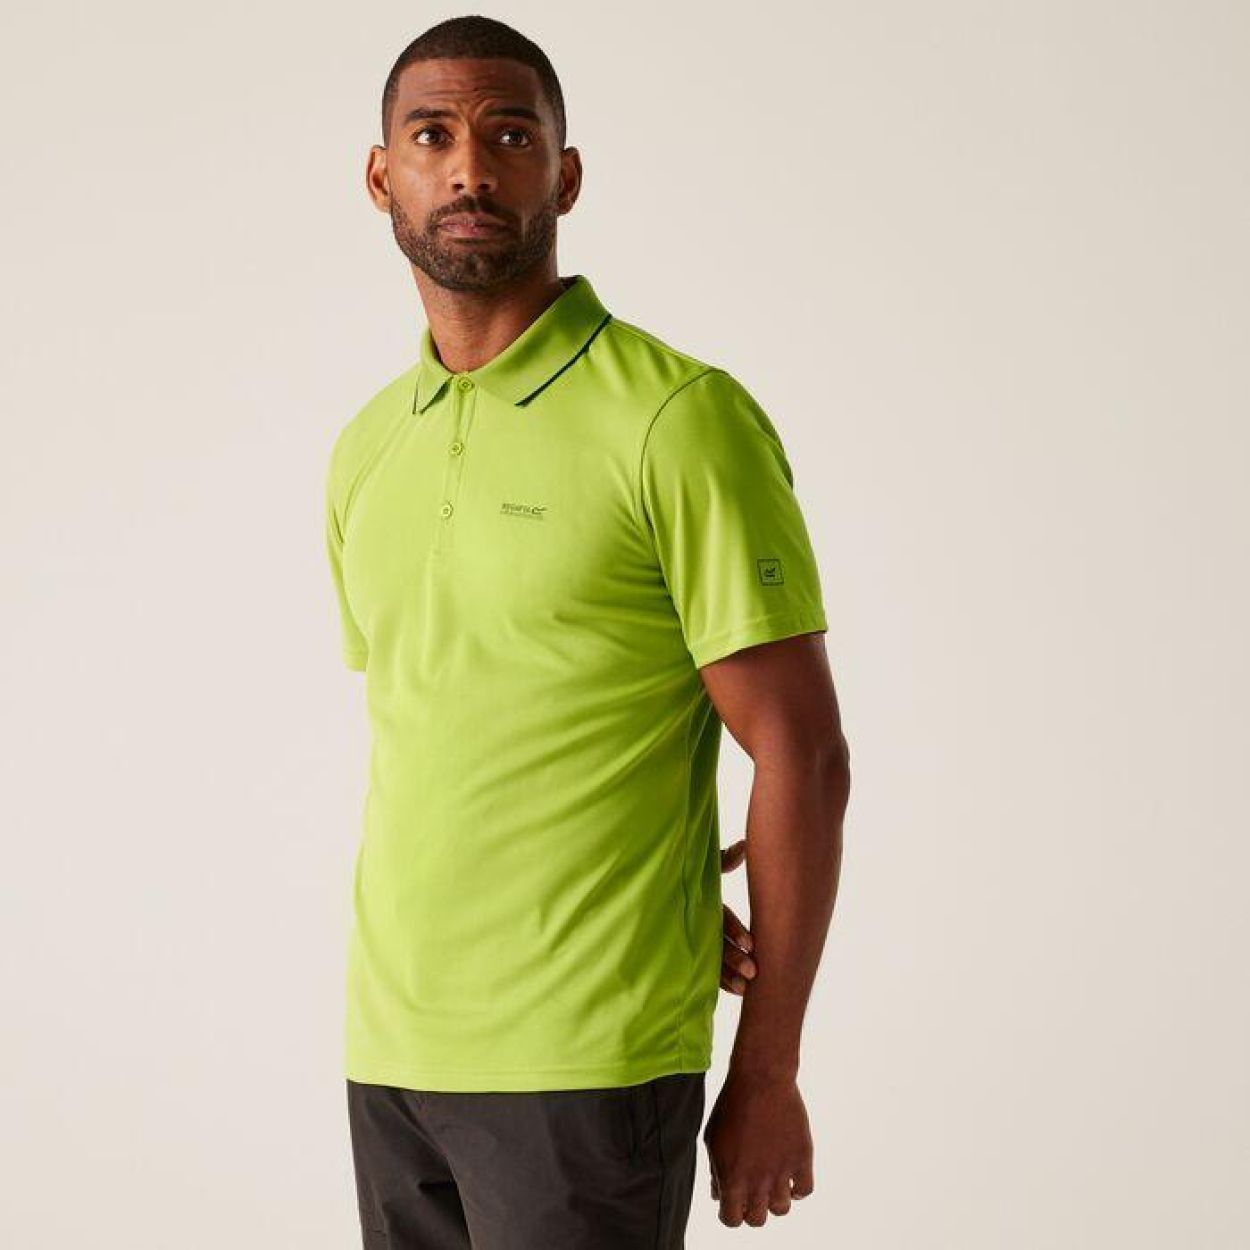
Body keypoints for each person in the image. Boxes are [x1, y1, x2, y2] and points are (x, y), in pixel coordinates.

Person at [324, 16, 851, 1247]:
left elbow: (803, 753)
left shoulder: (677, 418)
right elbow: (469, 729)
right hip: (390, 1051)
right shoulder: (366, 447)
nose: (469, 167)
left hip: (587, 1056)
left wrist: (767, 1067)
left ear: (563, 176)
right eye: (432, 136)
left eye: (509, 136)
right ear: (380, 176)